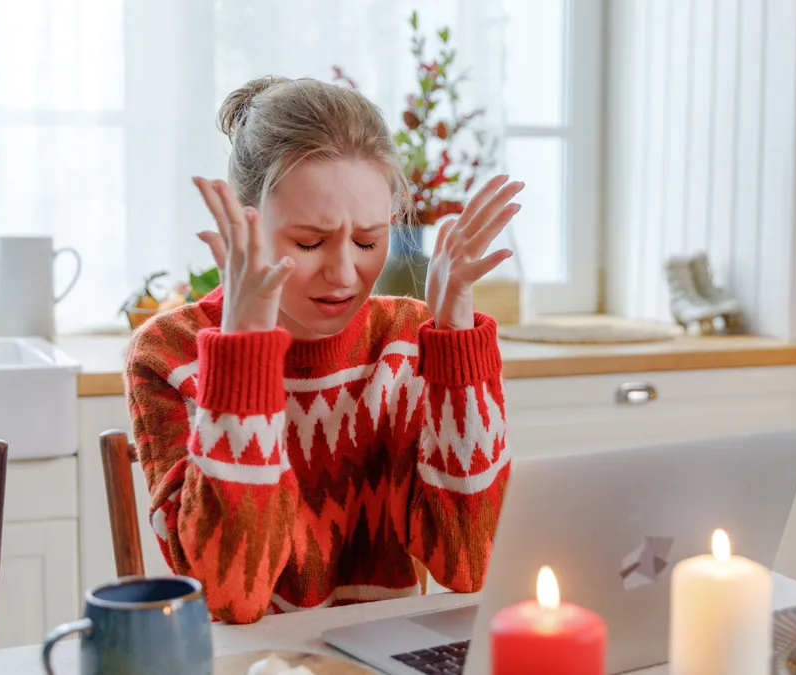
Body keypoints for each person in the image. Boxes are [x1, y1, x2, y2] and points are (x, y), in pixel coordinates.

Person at [124, 76, 523, 624]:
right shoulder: (170, 353)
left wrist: (455, 332)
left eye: (367, 241)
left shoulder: (405, 338)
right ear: (249, 223)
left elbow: (470, 564)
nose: (343, 274)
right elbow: (232, 595)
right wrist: (244, 352)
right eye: (309, 242)